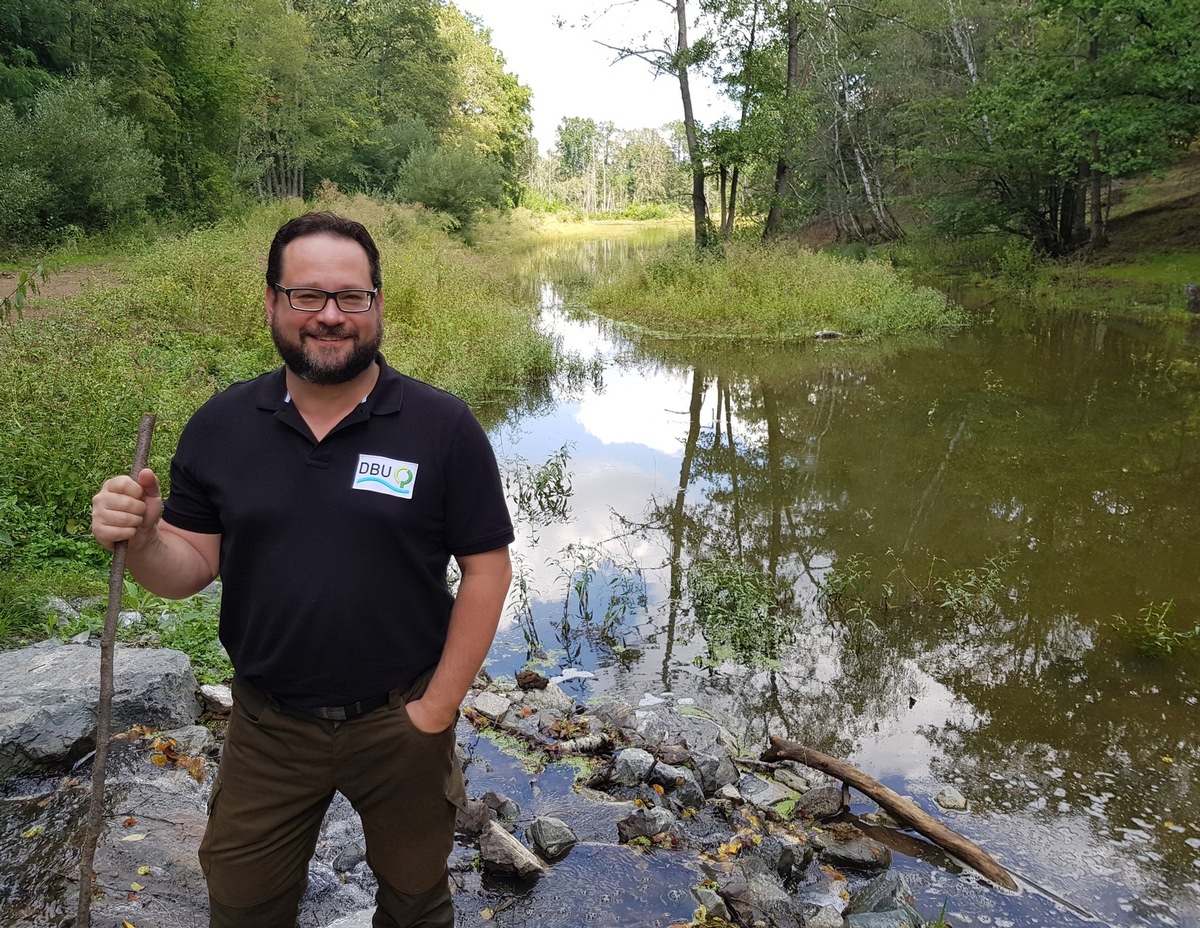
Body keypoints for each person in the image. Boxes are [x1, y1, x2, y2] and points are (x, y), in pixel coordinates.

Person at [91, 211, 514, 928]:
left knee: (416, 900)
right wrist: (144, 538)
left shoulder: (440, 427)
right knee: (244, 903)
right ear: (272, 302)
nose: (330, 316)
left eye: (351, 297)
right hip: (268, 725)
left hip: (400, 723)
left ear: (377, 304)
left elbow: (486, 570)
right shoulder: (222, 426)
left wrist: (436, 709)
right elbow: (187, 570)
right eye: (307, 296)